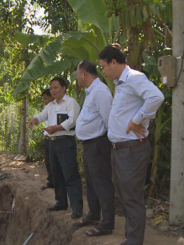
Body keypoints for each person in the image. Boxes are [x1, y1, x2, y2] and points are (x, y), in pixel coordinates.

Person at [98, 44, 164, 245]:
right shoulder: (121, 83)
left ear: (114, 62)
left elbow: (156, 96)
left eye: (103, 66)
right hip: (120, 150)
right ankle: (130, 239)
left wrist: (137, 120)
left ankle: (134, 242)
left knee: (132, 198)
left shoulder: (135, 78)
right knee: (125, 196)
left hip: (132, 150)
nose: (102, 71)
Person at [28, 77, 83, 219]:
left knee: (70, 173)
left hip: (65, 142)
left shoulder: (71, 103)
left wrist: (57, 128)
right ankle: (61, 201)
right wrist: (35, 119)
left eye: (56, 87)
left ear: (64, 88)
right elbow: (41, 115)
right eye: (51, 88)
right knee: (56, 172)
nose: (53, 91)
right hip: (52, 143)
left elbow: (72, 120)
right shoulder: (50, 106)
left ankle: (76, 207)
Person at [73, 60, 115, 237]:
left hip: (98, 143)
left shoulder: (100, 91)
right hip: (89, 144)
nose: (77, 78)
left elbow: (108, 120)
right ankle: (94, 214)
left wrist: (106, 143)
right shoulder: (90, 92)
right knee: (91, 182)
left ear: (84, 73)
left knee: (102, 183)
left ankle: (107, 223)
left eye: (77, 74)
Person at [40, 89, 55, 190]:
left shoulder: (56, 108)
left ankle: (56, 182)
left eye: (46, 98)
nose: (45, 101)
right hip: (47, 138)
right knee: (48, 161)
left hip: (53, 138)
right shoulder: (47, 108)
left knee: (53, 162)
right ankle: (51, 181)